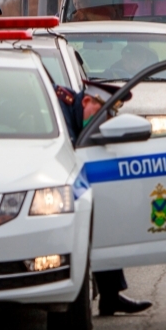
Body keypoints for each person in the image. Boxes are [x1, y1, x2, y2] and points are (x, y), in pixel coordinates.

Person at [54, 80, 153, 316]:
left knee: (106, 212)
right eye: (103, 115)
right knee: (98, 214)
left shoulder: (78, 112)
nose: (104, 123)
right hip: (53, 191)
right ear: (87, 101)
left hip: (69, 182)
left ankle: (111, 296)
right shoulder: (60, 110)